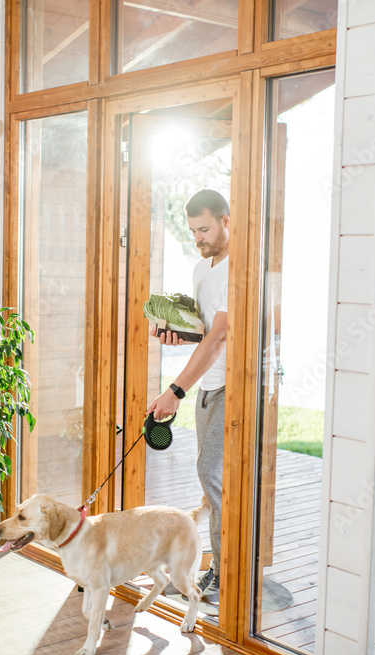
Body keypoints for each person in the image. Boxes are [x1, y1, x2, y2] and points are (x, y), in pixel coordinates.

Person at [146, 188, 229, 604]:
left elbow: (219, 338)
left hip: (234, 383)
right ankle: (223, 563)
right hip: (208, 384)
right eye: (194, 230)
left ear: (226, 221)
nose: (199, 237)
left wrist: (175, 390)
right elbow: (202, 333)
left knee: (213, 474)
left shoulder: (237, 268)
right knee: (211, 476)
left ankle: (224, 569)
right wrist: (174, 335)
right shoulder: (203, 267)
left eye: (205, 228)